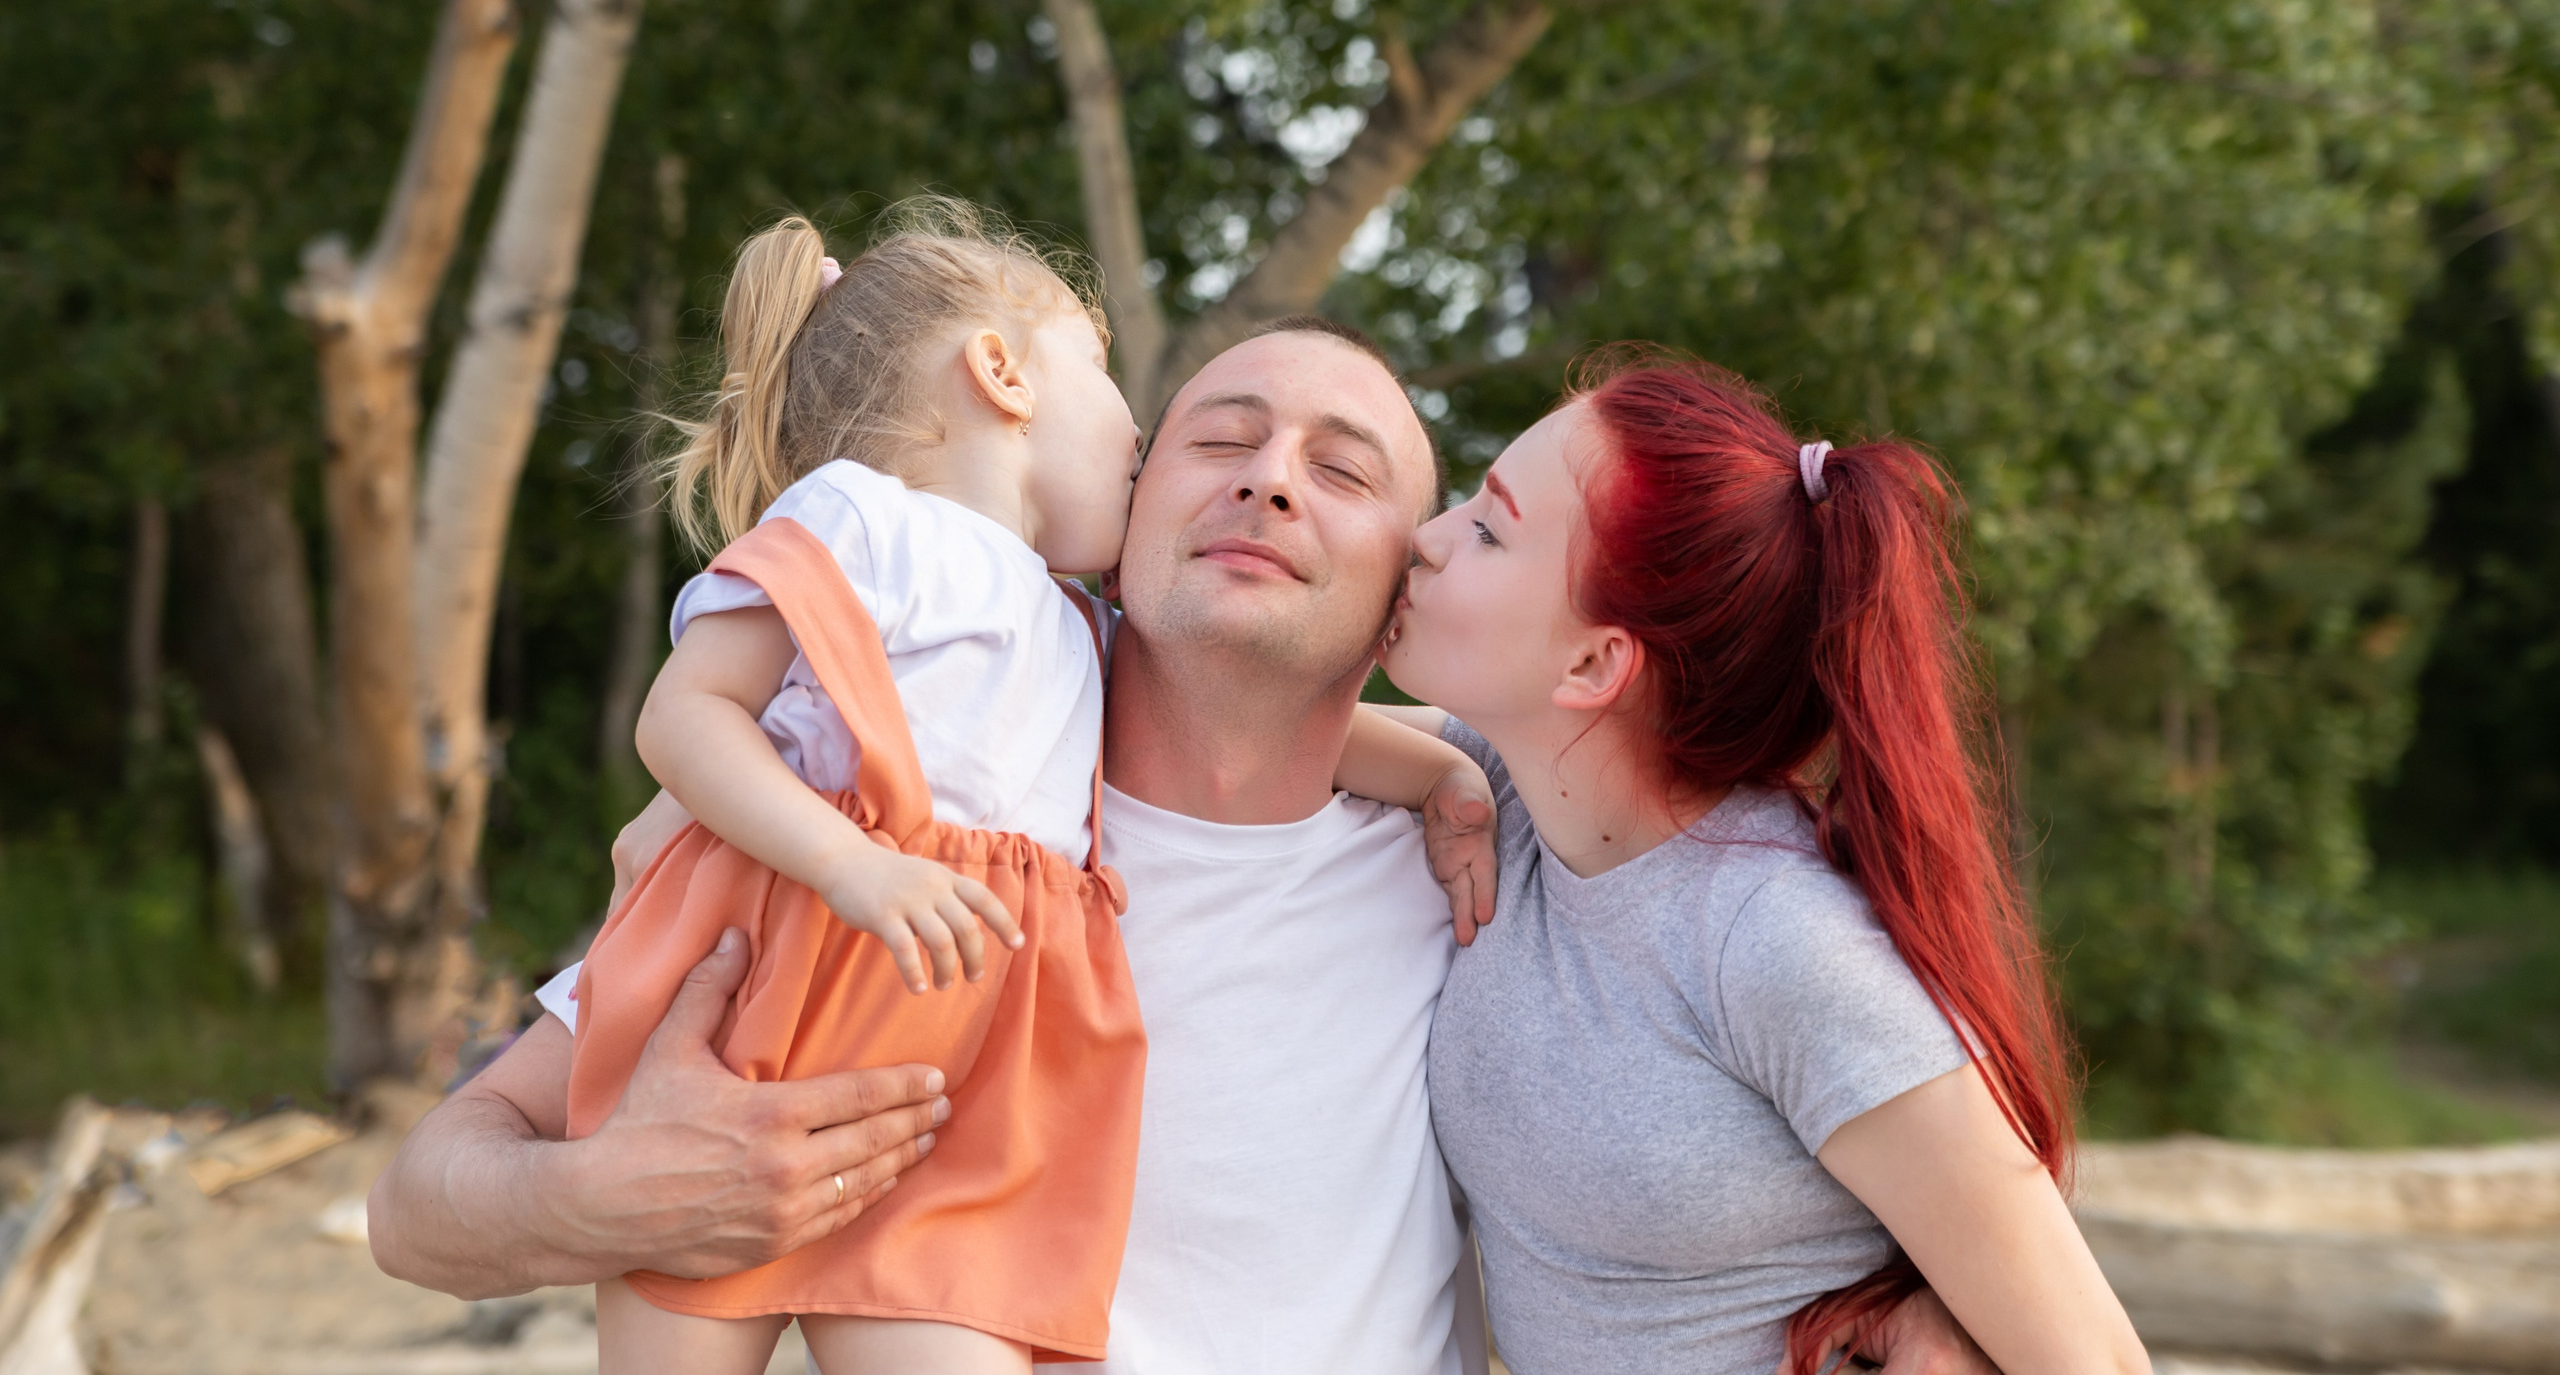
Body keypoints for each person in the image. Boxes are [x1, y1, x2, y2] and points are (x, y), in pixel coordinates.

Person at [371, 320, 1995, 1375]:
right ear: (1126, 512)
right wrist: (606, 1196)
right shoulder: (877, 817)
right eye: (1220, 437)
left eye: (1343, 469)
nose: (1271, 480)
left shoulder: (1499, 851)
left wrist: (1932, 1307)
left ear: (1411, 584)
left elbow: (1814, 983)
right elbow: (417, 1206)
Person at [561, 203, 1492, 1375]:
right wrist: (834, 857)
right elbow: (691, 713)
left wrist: (1449, 771)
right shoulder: (869, 532)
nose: (1263, 484)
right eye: (1196, 440)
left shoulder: (1068, 639)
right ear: (1003, 376)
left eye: (1341, 469)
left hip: (953, 1102)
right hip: (783, 985)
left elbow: (1322, 731)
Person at [1382, 352, 2150, 1375]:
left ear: (1594, 663)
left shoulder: (1780, 943)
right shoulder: (1510, 791)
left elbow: (2098, 1361)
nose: (1425, 538)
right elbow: (1265, 735)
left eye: (1487, 528)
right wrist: (1435, 775)